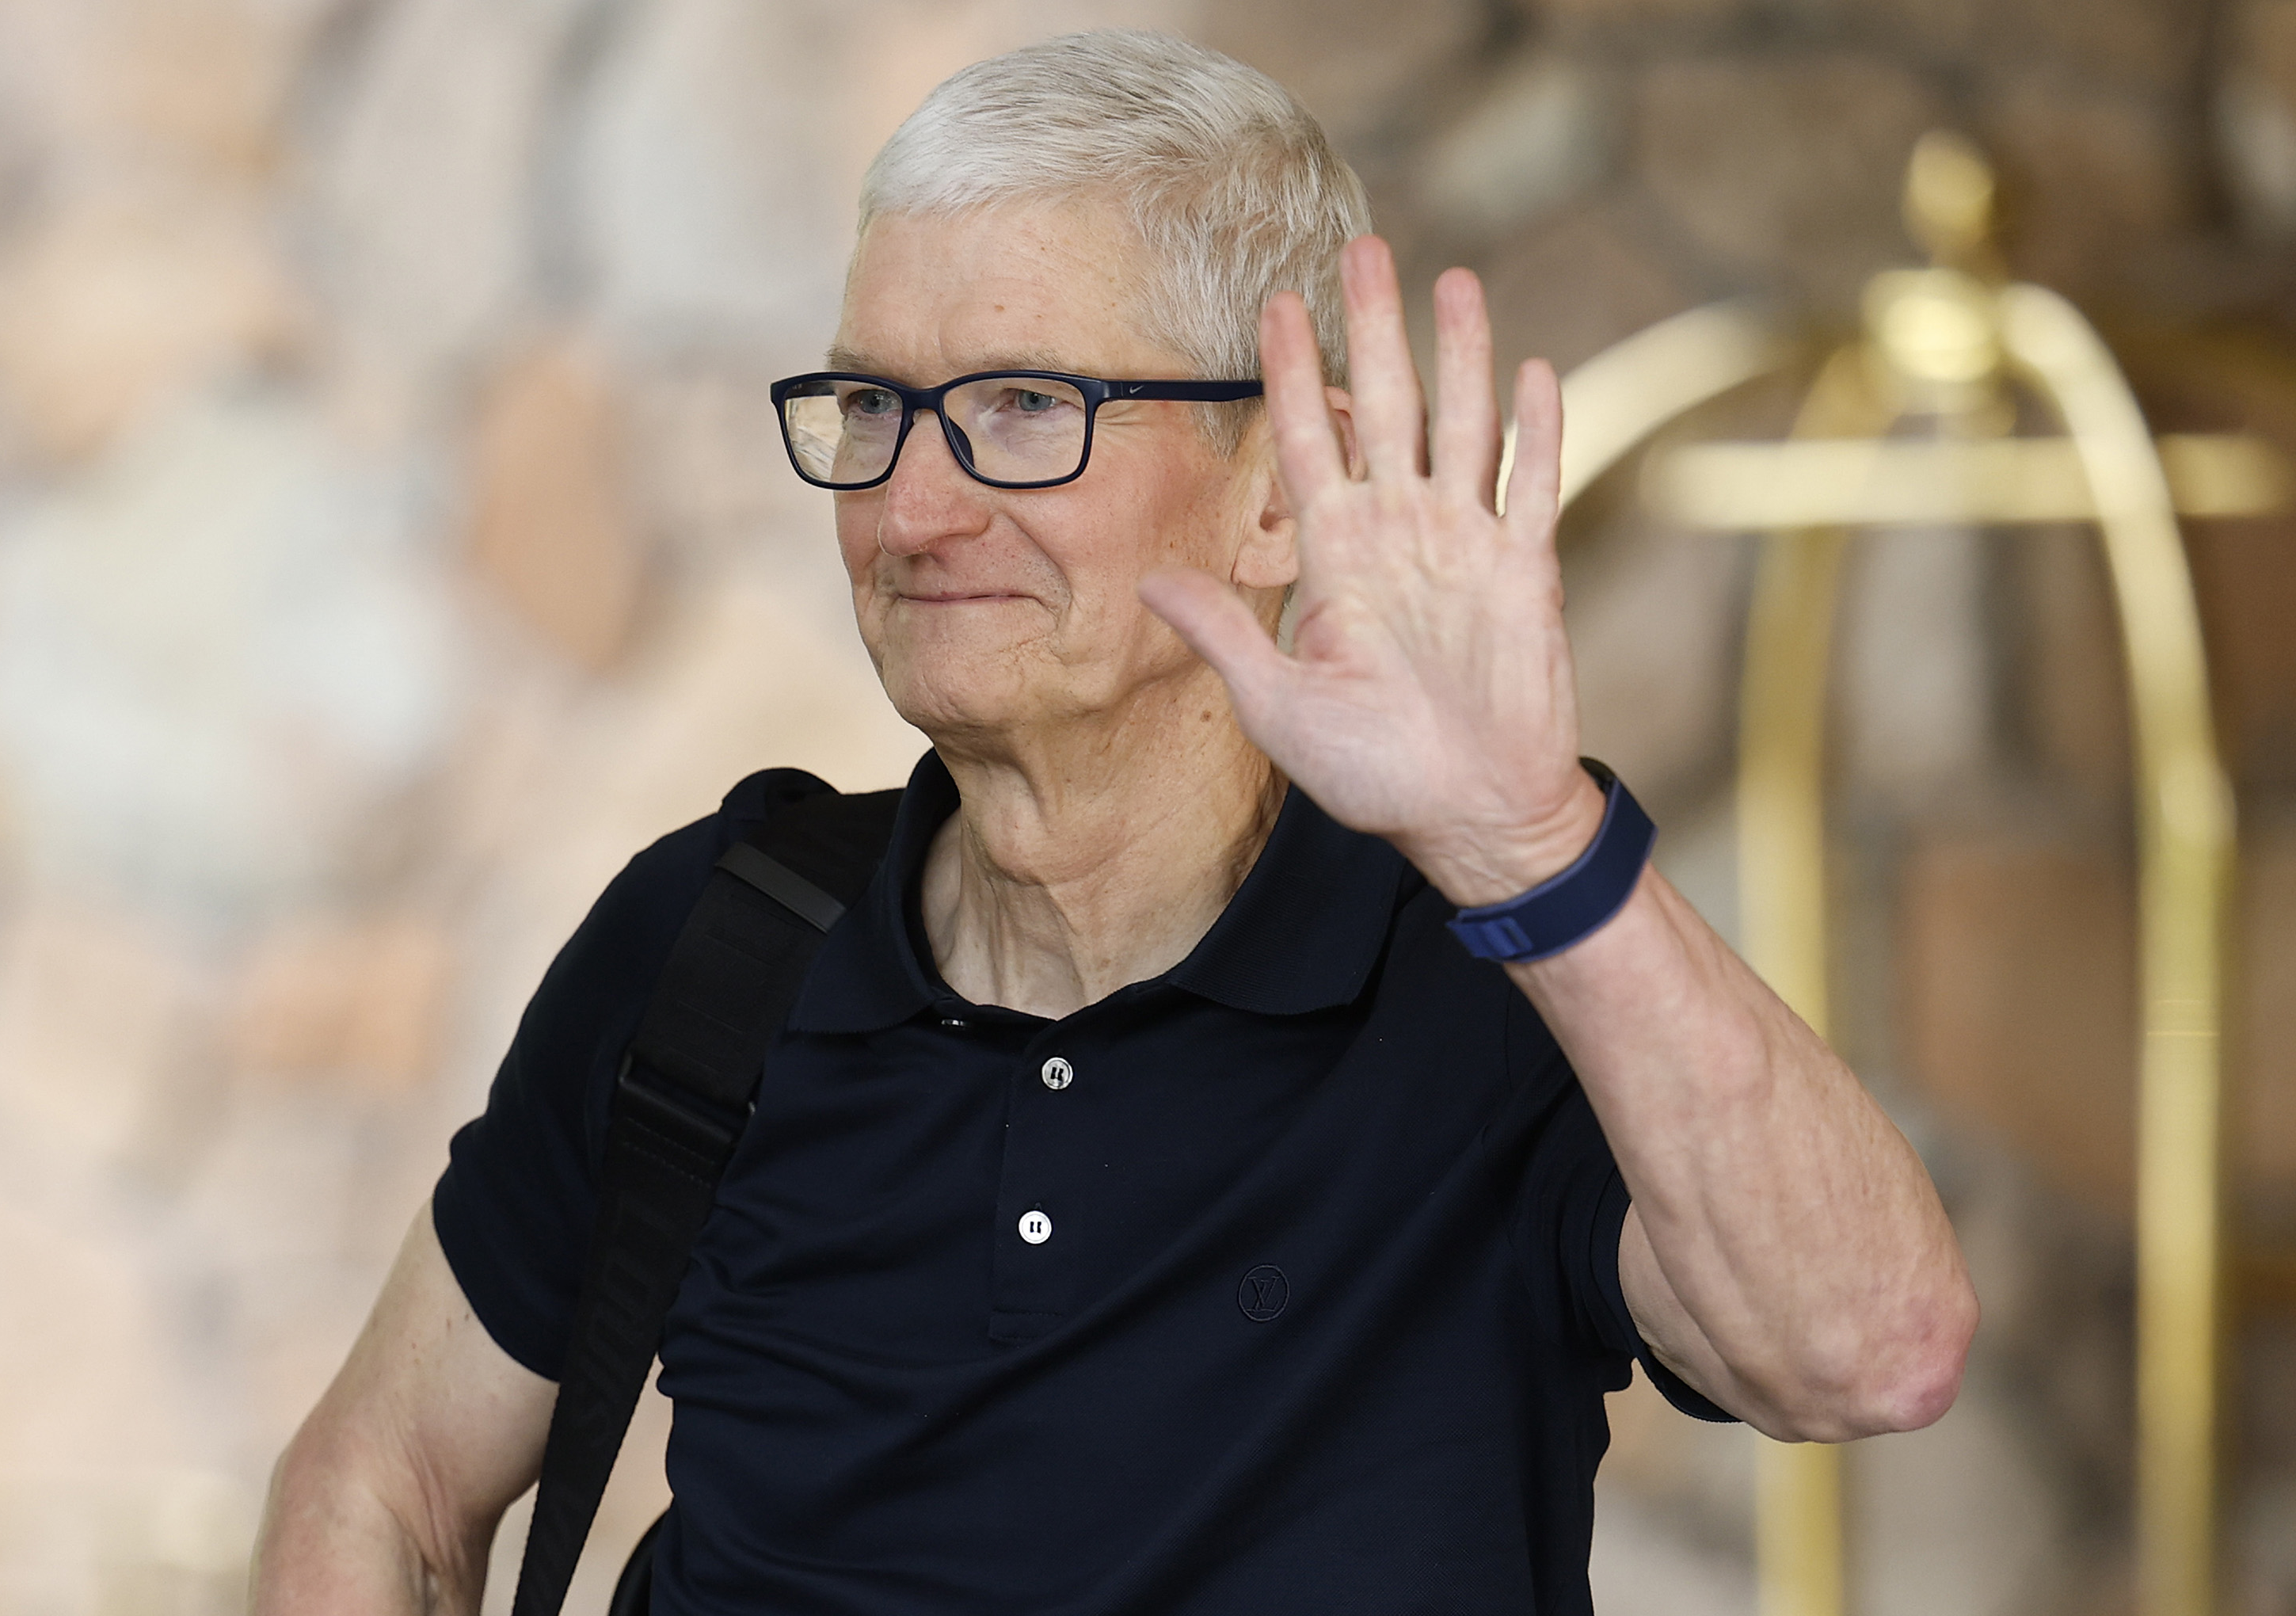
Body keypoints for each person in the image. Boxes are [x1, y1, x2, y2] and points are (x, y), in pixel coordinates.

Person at [253, 29, 1976, 1616]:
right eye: (873, 406)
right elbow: (379, 1482)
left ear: (1284, 489)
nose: (913, 507)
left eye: (1023, 408)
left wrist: (1531, 846)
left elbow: (1870, 1355)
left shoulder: (1495, 969)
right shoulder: (719, 935)